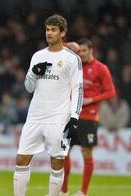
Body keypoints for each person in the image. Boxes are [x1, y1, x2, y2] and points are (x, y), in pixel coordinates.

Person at [13, 14, 83, 196]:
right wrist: (34, 73)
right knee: (21, 159)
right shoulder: (38, 56)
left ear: (63, 33)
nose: (49, 33)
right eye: (47, 29)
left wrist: (75, 117)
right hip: (35, 116)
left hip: (58, 118)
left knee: (57, 162)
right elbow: (28, 88)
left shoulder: (72, 59)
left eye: (53, 30)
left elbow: (78, 90)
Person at [61, 38, 116, 196]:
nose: (82, 54)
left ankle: (83, 192)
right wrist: (69, 44)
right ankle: (64, 191)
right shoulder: (75, 66)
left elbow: (111, 92)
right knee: (65, 153)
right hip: (72, 115)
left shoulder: (101, 68)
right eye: (79, 51)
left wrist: (91, 100)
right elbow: (57, 45)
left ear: (92, 50)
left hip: (89, 117)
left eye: (84, 51)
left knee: (87, 153)